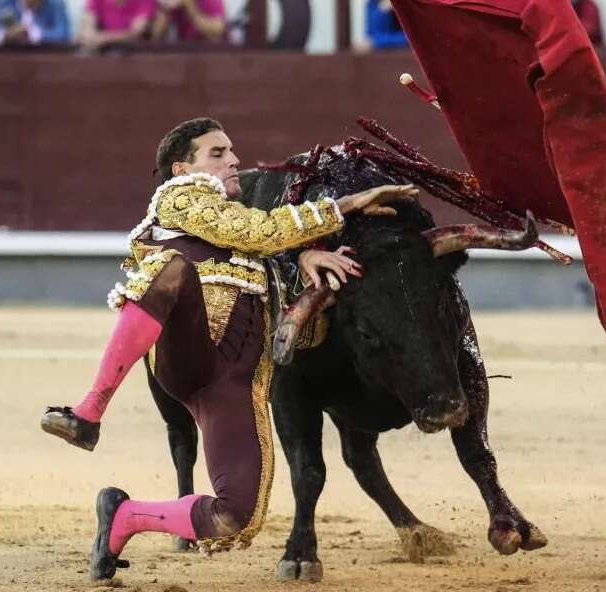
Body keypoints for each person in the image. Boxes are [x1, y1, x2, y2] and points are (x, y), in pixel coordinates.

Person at [40, 118, 415, 580]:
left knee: (236, 518)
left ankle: (124, 518)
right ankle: (89, 412)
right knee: (173, 270)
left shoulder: (249, 249)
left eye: (232, 151)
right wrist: (344, 206)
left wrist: (304, 261)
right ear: (182, 168)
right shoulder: (181, 199)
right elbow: (254, 231)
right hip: (190, 355)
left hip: (235, 383)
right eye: (216, 153)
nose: (233, 159)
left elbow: (262, 259)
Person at [78, 0, 156, 52]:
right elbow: (87, 24)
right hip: (101, 50)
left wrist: (104, 38)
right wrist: (89, 36)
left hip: (133, 52)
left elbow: (137, 32)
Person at [0, 0, 70, 46]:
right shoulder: (5, 3)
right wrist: (4, 35)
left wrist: (33, 34)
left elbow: (64, 34)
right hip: (9, 58)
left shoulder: (55, 4)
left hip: (42, 60)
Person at [151, 0, 226, 43]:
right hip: (185, 54)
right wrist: (165, 10)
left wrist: (189, 6)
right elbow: (155, 36)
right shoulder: (175, 4)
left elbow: (218, 30)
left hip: (211, 53)